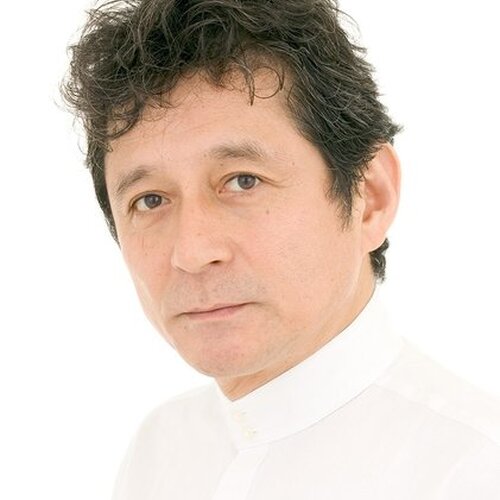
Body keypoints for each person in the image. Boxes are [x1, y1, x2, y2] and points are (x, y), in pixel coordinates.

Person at [62, 0, 500, 498]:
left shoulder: (473, 472)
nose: (192, 251)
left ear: (370, 197)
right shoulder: (160, 449)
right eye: (150, 200)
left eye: (243, 181)